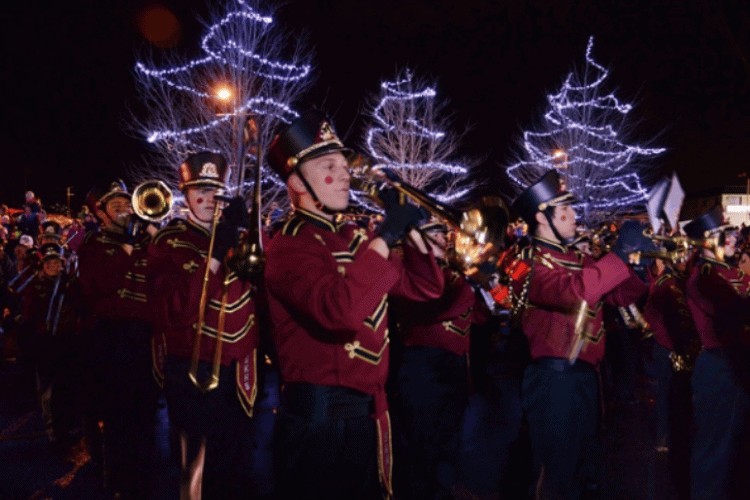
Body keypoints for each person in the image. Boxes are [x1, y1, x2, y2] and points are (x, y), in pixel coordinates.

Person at [264, 110, 444, 500]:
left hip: (368, 416)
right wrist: (385, 236)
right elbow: (338, 311)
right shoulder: (288, 246)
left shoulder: (354, 239)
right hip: (319, 427)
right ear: (297, 182)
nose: (345, 174)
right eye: (329, 165)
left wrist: (411, 234)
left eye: (345, 164)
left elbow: (424, 287)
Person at [509, 170, 650, 499]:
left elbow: (616, 297)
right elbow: (577, 292)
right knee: (555, 474)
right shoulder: (528, 264)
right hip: (553, 382)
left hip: (586, 377)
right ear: (541, 219)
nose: (574, 216)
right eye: (564, 211)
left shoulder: (578, 257)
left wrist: (637, 267)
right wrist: (617, 255)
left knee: (585, 471)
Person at [148, 152, 262, 500]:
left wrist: (249, 232)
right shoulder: (169, 241)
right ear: (185, 195)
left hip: (239, 370)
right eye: (200, 190)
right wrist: (217, 250)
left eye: (216, 190)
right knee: (193, 468)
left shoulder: (236, 238)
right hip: (193, 370)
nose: (210, 199)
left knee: (236, 466)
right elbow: (180, 311)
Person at [391, 218, 490, 499]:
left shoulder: (453, 271)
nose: (442, 238)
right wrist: (472, 281)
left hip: (454, 362)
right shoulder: (412, 272)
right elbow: (437, 304)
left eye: (442, 233)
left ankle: (444, 487)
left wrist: (488, 291)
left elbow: (478, 317)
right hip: (423, 364)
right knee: (422, 438)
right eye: (433, 233)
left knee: (450, 433)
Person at [683, 205, 750, 500]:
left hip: (734, 363)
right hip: (720, 368)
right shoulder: (704, 278)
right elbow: (736, 311)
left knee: (735, 448)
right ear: (707, 242)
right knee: (716, 450)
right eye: (726, 234)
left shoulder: (726, 272)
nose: (735, 239)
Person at [76, 180, 138, 494]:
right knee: (116, 418)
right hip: (111, 338)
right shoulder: (92, 245)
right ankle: (115, 481)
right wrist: (126, 248)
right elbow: (95, 288)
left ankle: (140, 478)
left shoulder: (142, 241)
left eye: (127, 205)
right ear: (102, 214)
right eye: (116, 207)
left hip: (140, 337)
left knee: (140, 416)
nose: (124, 211)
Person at [16, 242, 81, 453]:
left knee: (69, 387)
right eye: (49, 262)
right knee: (49, 392)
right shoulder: (35, 286)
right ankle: (54, 435)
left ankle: (68, 428)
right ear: (42, 265)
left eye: (56, 262)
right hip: (46, 345)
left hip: (68, 342)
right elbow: (28, 316)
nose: (53, 266)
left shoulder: (70, 284)